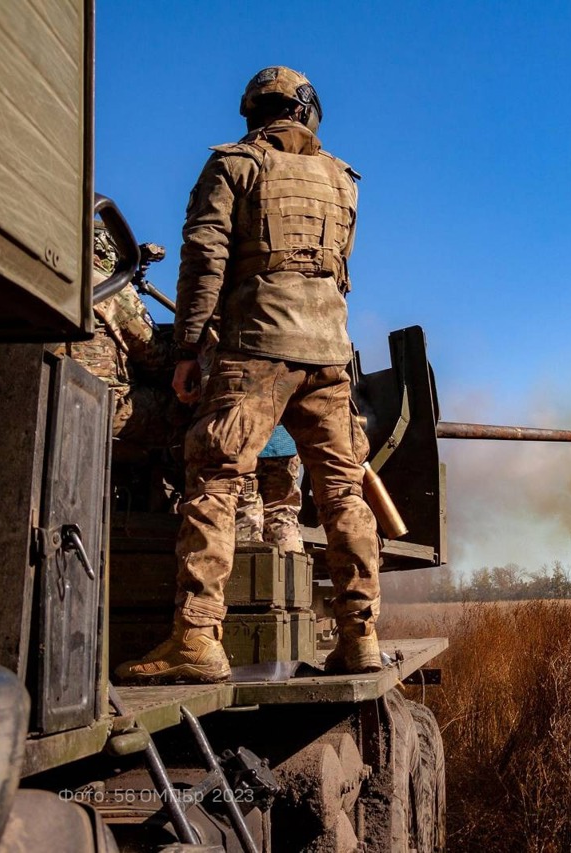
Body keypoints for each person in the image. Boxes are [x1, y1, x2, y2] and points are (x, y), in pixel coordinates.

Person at [116, 66, 382, 684]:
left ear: (253, 112)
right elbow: (338, 270)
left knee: (214, 477)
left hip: (257, 345)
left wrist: (186, 348)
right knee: (343, 492)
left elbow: (205, 256)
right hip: (329, 352)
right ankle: (360, 637)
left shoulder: (233, 165)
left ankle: (197, 640)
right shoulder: (344, 180)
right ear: (308, 112)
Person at [57, 226, 181, 456]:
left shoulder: (37, 276)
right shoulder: (107, 286)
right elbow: (155, 359)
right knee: (184, 411)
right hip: (94, 404)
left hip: (44, 392)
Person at [236, 425, 305, 554]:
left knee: (245, 509)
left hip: (243, 441)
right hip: (284, 441)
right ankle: (292, 571)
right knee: (283, 512)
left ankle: (250, 569)